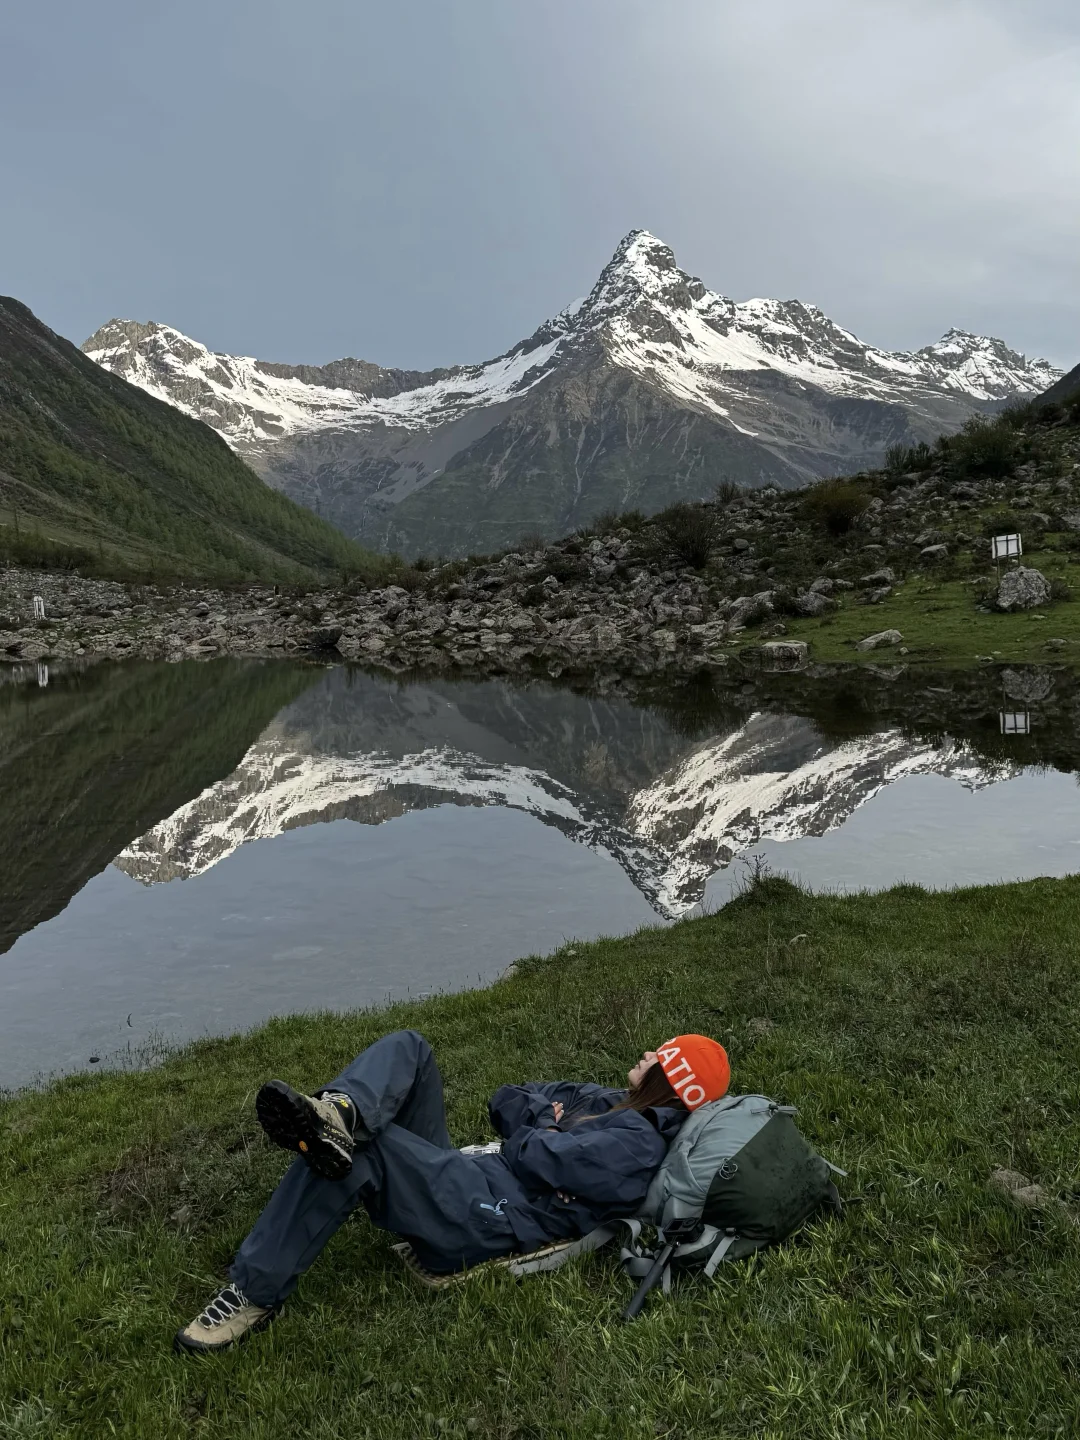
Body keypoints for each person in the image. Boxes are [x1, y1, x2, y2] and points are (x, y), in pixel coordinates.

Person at [175, 1028, 730, 1353]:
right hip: (478, 1176)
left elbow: (532, 1152)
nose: (646, 1054)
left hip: (487, 1214)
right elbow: (508, 1098)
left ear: (672, 1079)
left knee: (360, 1152)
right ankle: (340, 1111)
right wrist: (546, 1126)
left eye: (659, 1056)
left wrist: (542, 1127)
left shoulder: (636, 1145)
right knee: (411, 1048)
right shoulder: (605, 1100)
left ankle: (253, 1293)